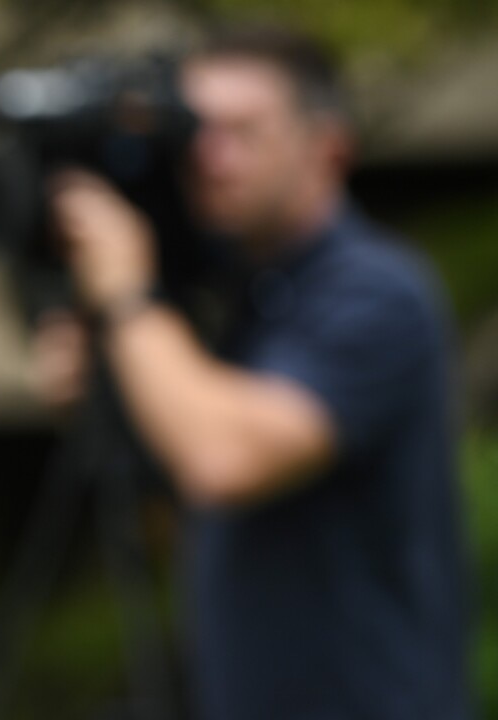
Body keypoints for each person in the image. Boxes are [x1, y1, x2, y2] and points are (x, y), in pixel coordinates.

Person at [34, 26, 471, 719]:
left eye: (243, 131)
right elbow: (179, 516)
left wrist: (124, 293)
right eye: (195, 130)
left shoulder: (378, 291)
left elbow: (223, 460)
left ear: (328, 148)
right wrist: (110, 399)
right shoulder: (244, 297)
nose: (209, 157)